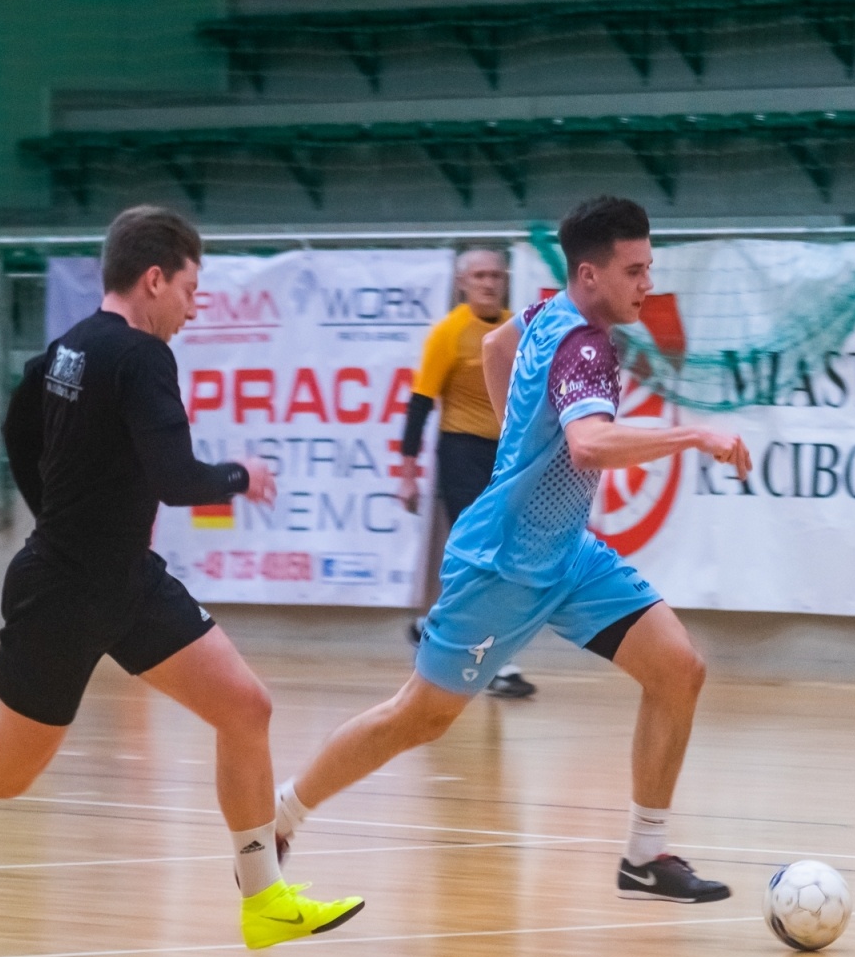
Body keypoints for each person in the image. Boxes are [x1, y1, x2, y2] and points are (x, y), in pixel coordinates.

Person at [0, 205, 363, 951]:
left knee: (246, 709)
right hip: (65, 593)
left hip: (126, 582)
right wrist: (242, 475)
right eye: (189, 289)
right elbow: (177, 479)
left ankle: (263, 899)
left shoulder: (64, 352)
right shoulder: (141, 357)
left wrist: (64, 513)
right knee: (0, 771)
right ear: (154, 279)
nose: (192, 307)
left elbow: (18, 432)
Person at [272, 196, 753, 902]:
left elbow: (497, 349)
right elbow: (589, 444)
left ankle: (645, 857)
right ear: (590, 274)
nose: (647, 285)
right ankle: (282, 814)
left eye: (649, 268)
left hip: (567, 554)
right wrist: (696, 435)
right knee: (419, 718)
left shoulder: (548, 311)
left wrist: (516, 449)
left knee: (678, 669)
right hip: (501, 565)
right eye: (634, 271)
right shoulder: (586, 345)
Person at [398, 248, 536, 700]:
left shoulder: (519, 328)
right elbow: (420, 404)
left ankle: (434, 625)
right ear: (462, 283)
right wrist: (407, 473)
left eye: (496, 275)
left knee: (509, 555)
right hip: (461, 452)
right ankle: (494, 660)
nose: (489, 283)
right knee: (485, 555)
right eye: (479, 276)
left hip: (506, 456)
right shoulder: (448, 333)